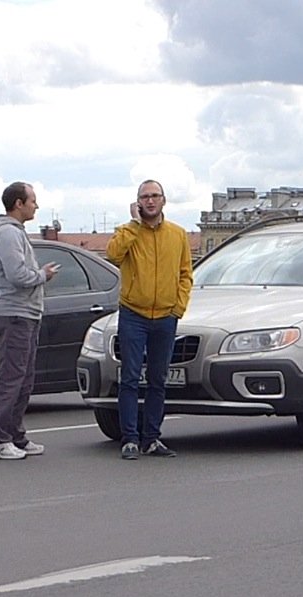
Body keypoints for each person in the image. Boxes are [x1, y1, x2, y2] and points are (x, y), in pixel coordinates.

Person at [106, 179, 193, 460]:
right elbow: (113, 255)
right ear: (137, 202)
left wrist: (178, 308)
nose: (150, 201)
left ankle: (152, 438)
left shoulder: (178, 235)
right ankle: (130, 438)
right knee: (130, 378)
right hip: (134, 314)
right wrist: (133, 225)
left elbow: (185, 274)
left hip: (166, 316)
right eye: (145, 197)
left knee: (158, 379)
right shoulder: (127, 232)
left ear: (164, 201)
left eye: (155, 196)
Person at [0, 181, 59, 460]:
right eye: (32, 201)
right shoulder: (7, 234)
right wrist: (42, 275)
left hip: (26, 313)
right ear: (19, 203)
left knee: (24, 378)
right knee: (11, 377)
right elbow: (17, 275)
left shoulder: (16, 233)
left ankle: (15, 435)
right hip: (14, 314)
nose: (36, 206)